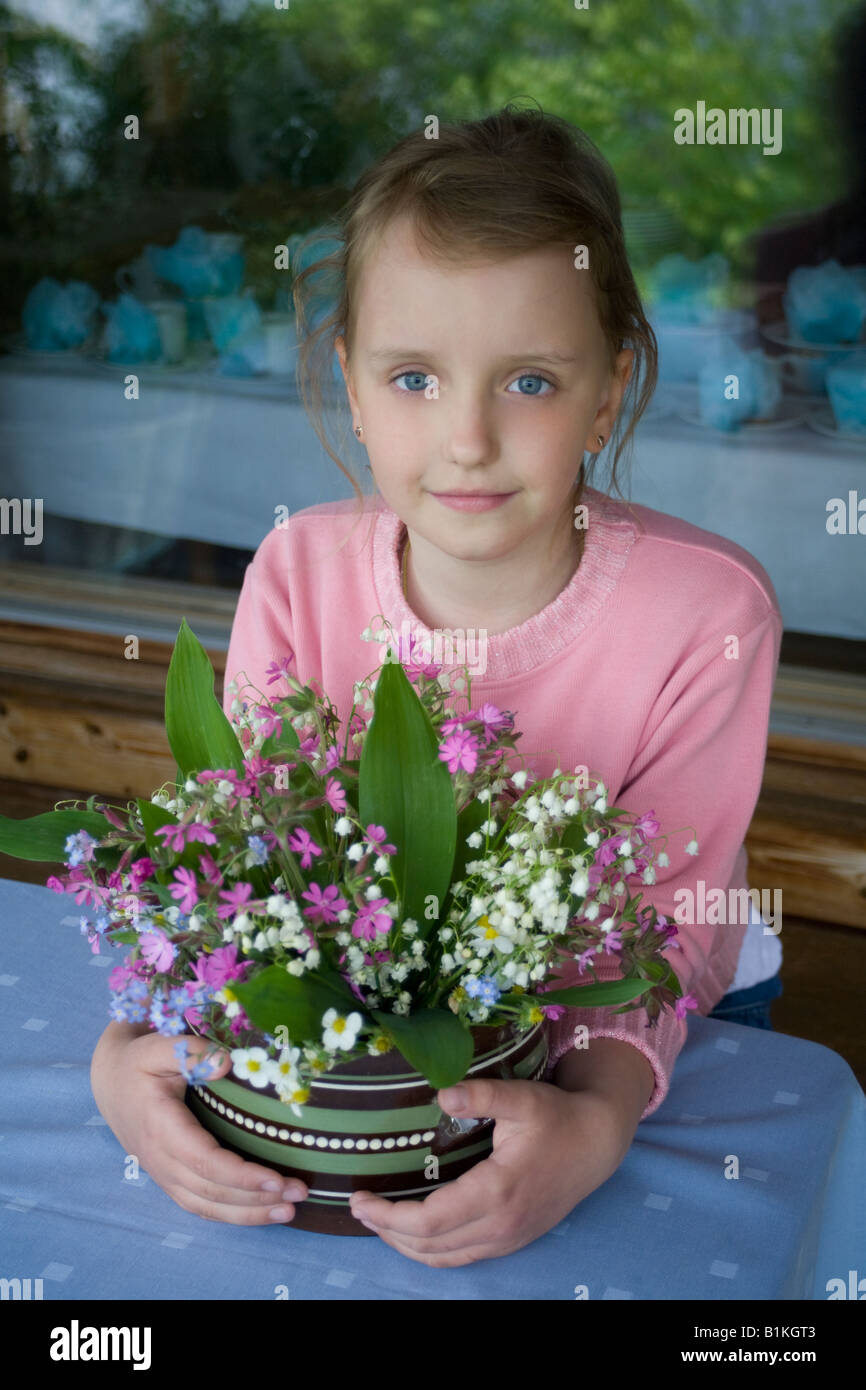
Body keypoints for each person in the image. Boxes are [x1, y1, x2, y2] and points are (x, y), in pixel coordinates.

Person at [91, 103, 784, 1266]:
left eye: (527, 381)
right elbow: (248, 869)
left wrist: (598, 1118)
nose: (464, 438)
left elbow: (672, 932)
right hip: (384, 1039)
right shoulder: (298, 574)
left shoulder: (705, 615)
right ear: (350, 387)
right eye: (413, 376)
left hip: (639, 1024)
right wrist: (130, 1055)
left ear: (608, 392)